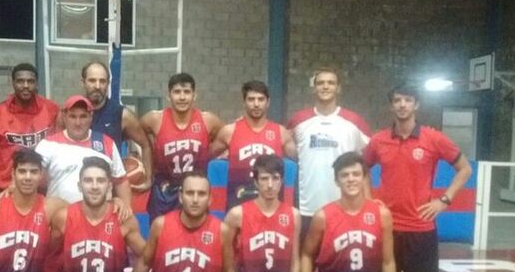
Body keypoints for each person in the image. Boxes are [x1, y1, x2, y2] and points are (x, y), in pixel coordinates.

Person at [363, 84, 472, 272]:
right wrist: (369, 202)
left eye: (407, 100)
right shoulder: (379, 140)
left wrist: (444, 201)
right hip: (387, 228)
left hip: (421, 227)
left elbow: (465, 168)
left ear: (416, 105)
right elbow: (361, 168)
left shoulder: (432, 138)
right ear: (391, 106)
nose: (402, 105)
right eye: (397, 100)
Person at [287, 68, 371, 236]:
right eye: (320, 83)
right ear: (314, 88)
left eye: (330, 83)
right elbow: (279, 139)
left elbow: (366, 164)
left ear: (338, 88)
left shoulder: (354, 121)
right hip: (308, 205)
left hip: (346, 205)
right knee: (308, 256)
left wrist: (368, 202)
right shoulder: (298, 120)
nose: (325, 87)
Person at [140, 73, 223, 221]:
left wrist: (211, 153)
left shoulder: (208, 120)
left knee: (195, 236)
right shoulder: (154, 119)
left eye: (187, 92)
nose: (182, 97)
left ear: (194, 95)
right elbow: (137, 134)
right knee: (162, 236)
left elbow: (226, 138)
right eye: (177, 92)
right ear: (169, 95)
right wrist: (147, 152)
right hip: (164, 190)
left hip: (195, 189)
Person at [0, 63, 59, 196]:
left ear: (37, 84)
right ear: (13, 83)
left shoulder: (52, 110)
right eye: (20, 81)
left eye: (30, 81)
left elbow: (60, 148)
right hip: (3, 190)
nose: (25, 85)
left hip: (40, 191)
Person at [211, 81, 296, 210]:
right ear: (244, 102)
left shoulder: (281, 132)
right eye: (251, 99)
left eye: (261, 99)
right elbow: (207, 157)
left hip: (270, 202)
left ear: (268, 102)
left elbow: (298, 160)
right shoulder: (230, 131)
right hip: (238, 200)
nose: (256, 104)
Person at [35, 95, 131, 207]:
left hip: (98, 218)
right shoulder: (48, 144)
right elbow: (31, 176)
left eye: (83, 116)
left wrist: (127, 209)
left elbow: (121, 181)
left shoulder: (106, 143)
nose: (78, 123)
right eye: (72, 116)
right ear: (64, 117)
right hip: (59, 218)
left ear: (91, 117)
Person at [79, 61, 153, 189]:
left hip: (110, 189)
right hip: (78, 184)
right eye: (92, 80)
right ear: (83, 82)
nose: (97, 86)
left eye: (102, 81)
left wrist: (148, 180)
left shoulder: (122, 115)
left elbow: (146, 145)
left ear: (108, 83)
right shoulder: (70, 113)